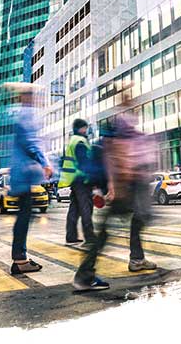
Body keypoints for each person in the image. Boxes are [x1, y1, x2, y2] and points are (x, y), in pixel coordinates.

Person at [73, 88, 157, 292]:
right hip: (127, 184)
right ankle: (85, 275)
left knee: (137, 220)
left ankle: (135, 259)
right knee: (109, 230)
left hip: (132, 182)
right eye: (129, 98)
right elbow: (113, 155)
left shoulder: (127, 125)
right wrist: (114, 184)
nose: (134, 101)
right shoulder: (119, 125)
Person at [4, 82, 52, 275]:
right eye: (31, 96)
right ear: (25, 97)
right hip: (23, 173)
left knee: (24, 215)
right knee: (24, 216)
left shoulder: (16, 114)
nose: (35, 99)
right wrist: (45, 162)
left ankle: (20, 257)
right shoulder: (25, 115)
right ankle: (20, 259)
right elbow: (31, 142)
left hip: (20, 173)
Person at [60, 118, 96, 245]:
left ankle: (71, 235)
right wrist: (92, 177)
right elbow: (83, 162)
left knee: (74, 208)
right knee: (86, 208)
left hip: (74, 179)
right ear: (81, 128)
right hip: (82, 179)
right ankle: (90, 236)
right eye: (85, 128)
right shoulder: (80, 141)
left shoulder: (72, 141)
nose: (87, 130)